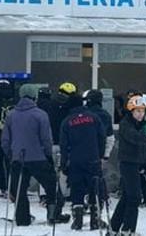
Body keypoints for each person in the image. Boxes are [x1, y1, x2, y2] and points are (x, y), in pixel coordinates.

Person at [2, 84, 69, 226]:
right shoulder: (40, 114)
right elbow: (46, 139)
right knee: (52, 186)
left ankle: (22, 218)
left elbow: (5, 140)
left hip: (18, 158)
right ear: (35, 97)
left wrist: (10, 154)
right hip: (38, 158)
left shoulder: (11, 115)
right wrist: (48, 155)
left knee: (19, 190)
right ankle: (53, 215)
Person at [59, 93, 106, 230]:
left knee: (77, 189)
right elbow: (102, 137)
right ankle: (95, 219)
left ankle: (77, 219)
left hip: (75, 161)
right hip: (93, 159)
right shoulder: (94, 118)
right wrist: (100, 155)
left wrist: (64, 163)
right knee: (95, 188)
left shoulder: (67, 121)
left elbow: (64, 145)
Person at [109, 95, 146, 235]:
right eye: (137, 111)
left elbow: (143, 146)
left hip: (136, 163)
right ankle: (128, 229)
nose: (140, 114)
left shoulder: (142, 125)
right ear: (131, 111)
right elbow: (134, 138)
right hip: (127, 163)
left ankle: (114, 228)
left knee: (128, 196)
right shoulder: (125, 124)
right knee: (134, 197)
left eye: (142, 111)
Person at [83, 89, 115, 160]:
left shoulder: (83, 115)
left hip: (83, 153)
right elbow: (110, 137)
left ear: (88, 100)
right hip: (99, 153)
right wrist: (106, 154)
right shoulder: (106, 115)